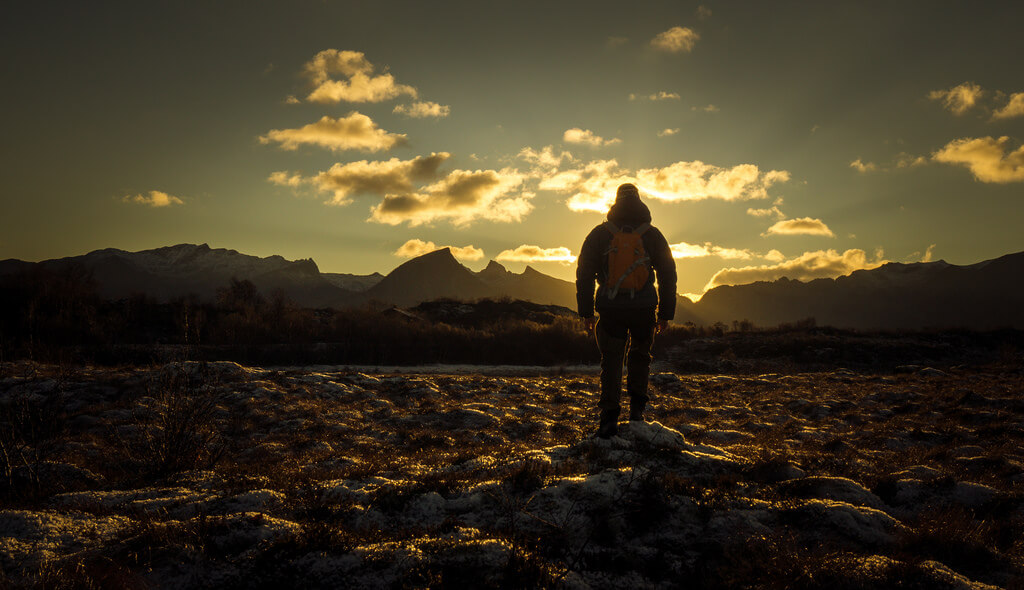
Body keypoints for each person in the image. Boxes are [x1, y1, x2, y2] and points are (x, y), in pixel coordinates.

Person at [576, 183, 677, 438]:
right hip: (644, 308)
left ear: (616, 201)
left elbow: (584, 273)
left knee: (611, 361)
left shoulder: (600, 234)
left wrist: (586, 312)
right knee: (640, 356)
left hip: (610, 309)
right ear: (639, 201)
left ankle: (609, 419)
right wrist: (666, 313)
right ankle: (636, 414)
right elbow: (668, 274)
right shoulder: (652, 234)